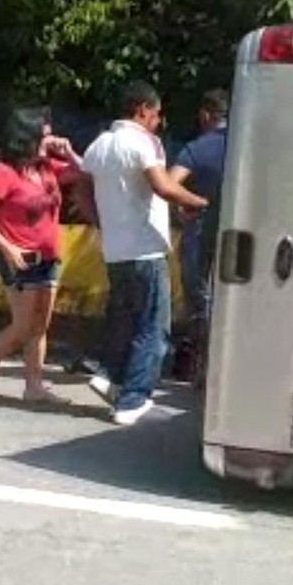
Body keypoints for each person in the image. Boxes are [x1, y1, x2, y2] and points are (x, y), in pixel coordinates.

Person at [73, 80, 208, 426]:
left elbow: (82, 193)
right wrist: (201, 203)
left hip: (116, 250)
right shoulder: (144, 143)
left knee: (124, 317)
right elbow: (163, 187)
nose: (158, 121)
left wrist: (103, 223)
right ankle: (133, 400)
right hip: (146, 249)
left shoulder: (98, 145)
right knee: (153, 325)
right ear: (143, 109)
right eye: (157, 114)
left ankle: (107, 376)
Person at [0, 107, 83, 404]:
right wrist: (7, 247)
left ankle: (34, 385)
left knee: (40, 326)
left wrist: (69, 152)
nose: (50, 140)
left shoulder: (47, 168)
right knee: (21, 326)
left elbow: (85, 172)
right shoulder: (2, 172)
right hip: (19, 257)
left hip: (48, 256)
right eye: (43, 135)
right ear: (26, 138)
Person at [168, 89, 229, 387]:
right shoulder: (251, 143)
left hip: (201, 234)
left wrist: (189, 201)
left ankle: (202, 369)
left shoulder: (199, 148)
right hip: (243, 237)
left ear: (206, 115)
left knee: (200, 300)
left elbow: (169, 181)